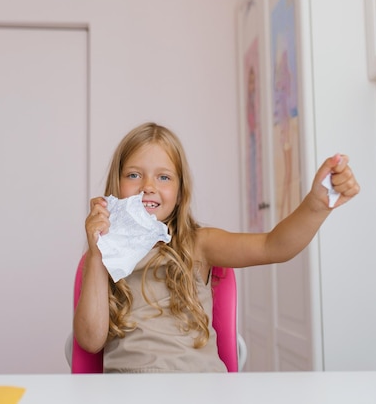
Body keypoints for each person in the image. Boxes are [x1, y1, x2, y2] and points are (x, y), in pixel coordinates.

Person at [73, 122, 360, 373]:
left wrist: (316, 205)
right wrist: (98, 254)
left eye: (163, 177)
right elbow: (89, 340)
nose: (148, 186)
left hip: (201, 387)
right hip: (129, 392)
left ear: (180, 190)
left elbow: (273, 246)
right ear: (116, 183)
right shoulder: (101, 256)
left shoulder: (199, 244)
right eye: (134, 175)